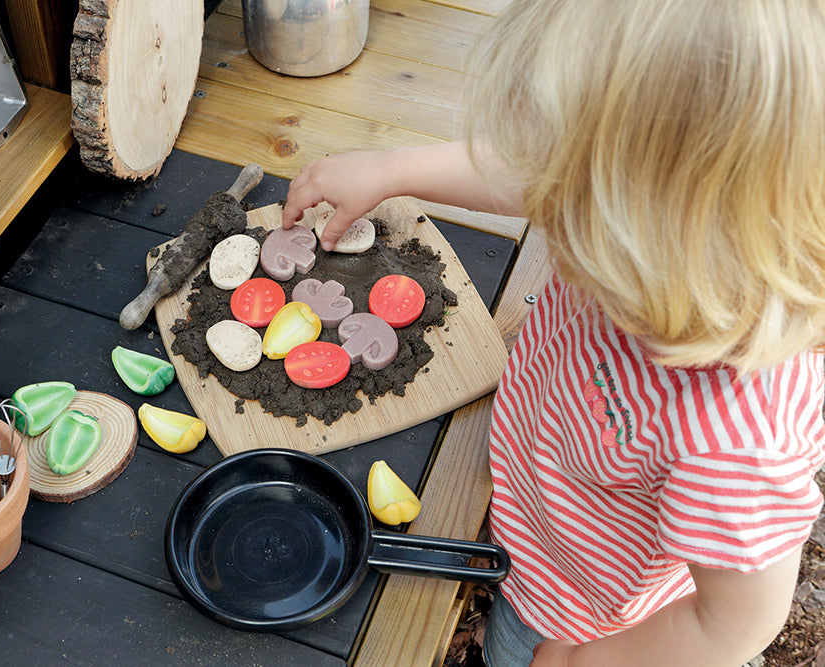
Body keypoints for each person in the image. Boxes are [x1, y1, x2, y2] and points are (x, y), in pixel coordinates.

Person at [280, 0, 825, 665]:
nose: (549, 198)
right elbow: (552, 172)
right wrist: (394, 169)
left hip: (574, 611)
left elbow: (735, 623)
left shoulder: (735, 443)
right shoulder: (649, 230)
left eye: (573, 200)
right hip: (542, 497)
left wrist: (580, 661)